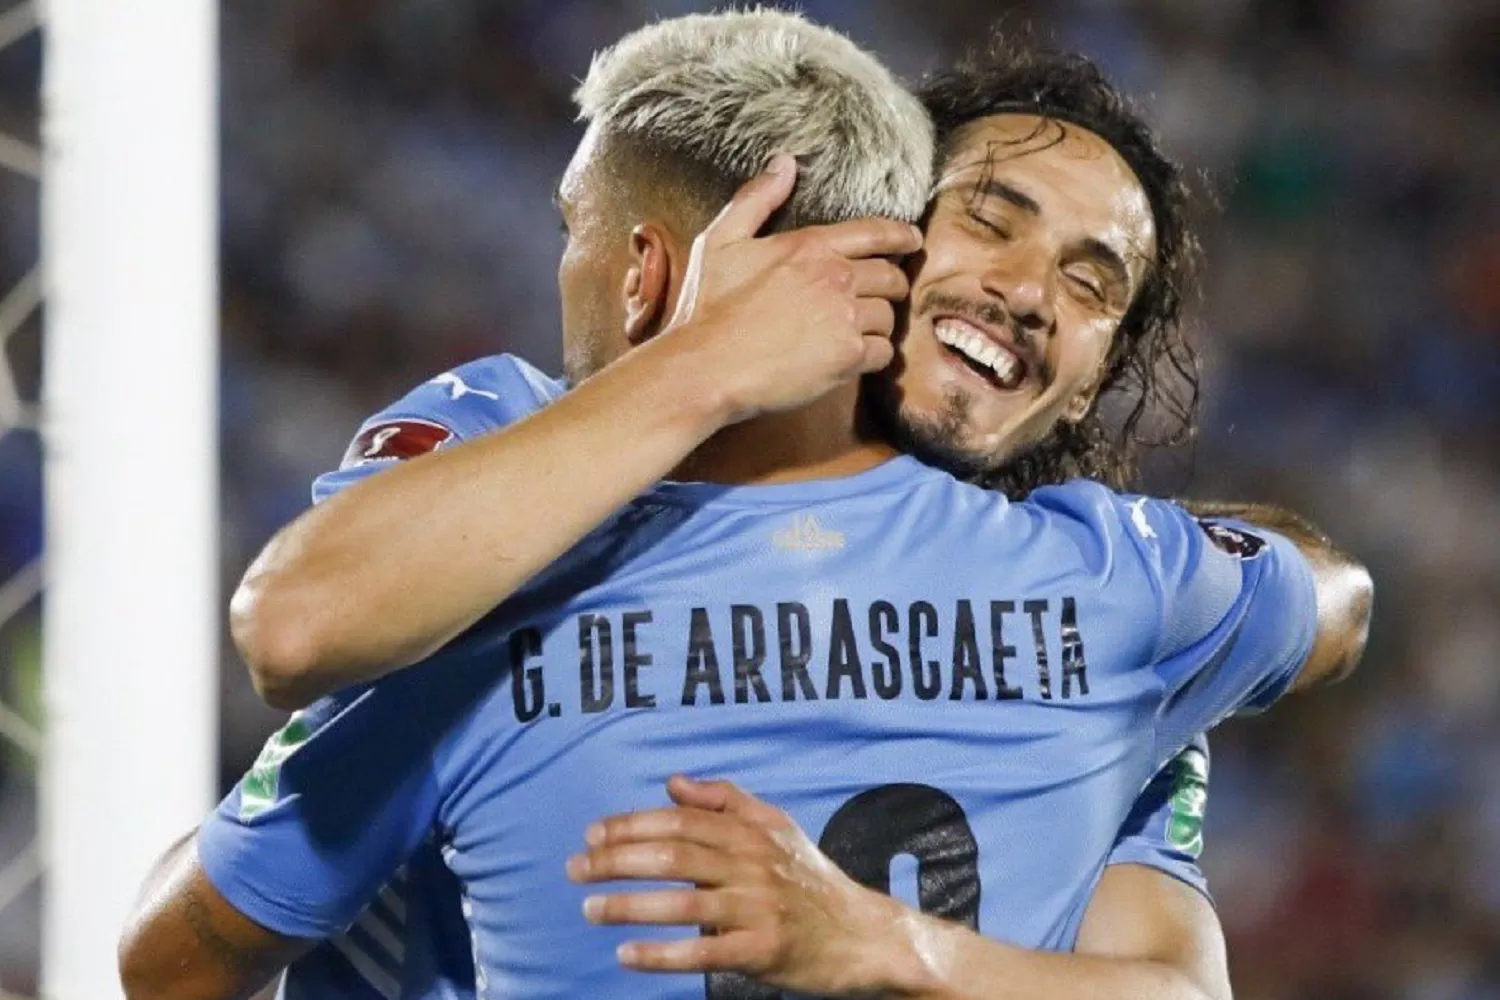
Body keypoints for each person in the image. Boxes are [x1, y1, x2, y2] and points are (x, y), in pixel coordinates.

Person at [118, 11, 1371, 1000]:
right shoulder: (518, 474)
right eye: (988, 219)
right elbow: (298, 627)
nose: (1029, 291)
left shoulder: (1121, 613)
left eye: (1091, 283)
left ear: (1100, 367)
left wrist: (883, 942)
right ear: (871, 239)